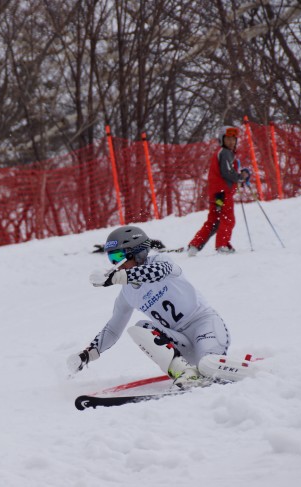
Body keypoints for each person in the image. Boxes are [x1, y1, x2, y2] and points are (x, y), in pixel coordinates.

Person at [67, 225, 233, 389]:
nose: (116, 264)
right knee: (140, 328)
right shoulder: (127, 293)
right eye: (112, 259)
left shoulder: (162, 261)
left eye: (118, 257)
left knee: (209, 365)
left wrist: (115, 278)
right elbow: (112, 329)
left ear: (136, 253)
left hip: (204, 326)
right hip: (179, 341)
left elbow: (158, 271)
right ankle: (185, 373)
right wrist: (88, 354)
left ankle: (250, 372)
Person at [188, 126, 251, 256]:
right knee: (228, 219)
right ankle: (222, 245)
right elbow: (226, 172)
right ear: (222, 139)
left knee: (214, 220)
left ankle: (195, 245)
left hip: (217, 193)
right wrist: (240, 177)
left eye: (234, 139)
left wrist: (237, 176)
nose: (231, 141)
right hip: (223, 193)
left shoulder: (222, 153)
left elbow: (227, 171)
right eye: (228, 139)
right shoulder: (225, 153)